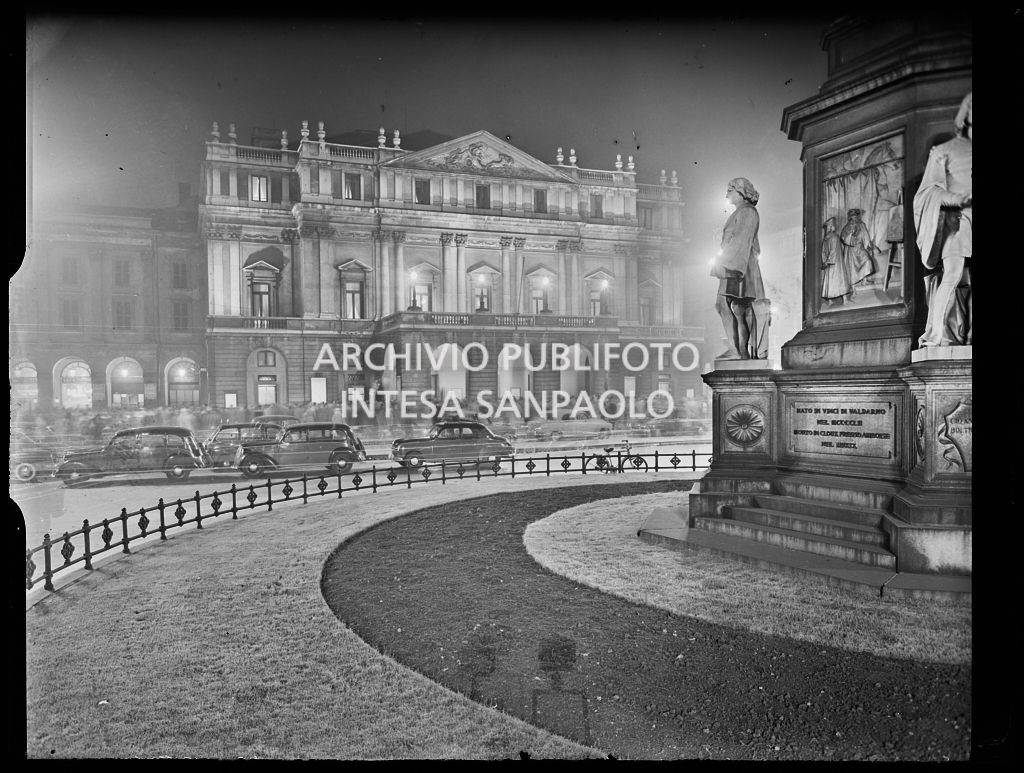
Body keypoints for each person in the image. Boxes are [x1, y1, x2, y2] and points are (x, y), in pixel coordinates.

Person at [914, 91, 972, 347]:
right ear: (966, 113)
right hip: (955, 221)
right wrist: (958, 199)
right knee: (952, 274)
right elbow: (929, 191)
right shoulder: (944, 151)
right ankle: (934, 336)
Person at [711, 177, 770, 359]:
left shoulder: (747, 212)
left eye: (730, 190)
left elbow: (741, 242)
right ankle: (739, 351)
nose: (727, 194)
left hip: (737, 267)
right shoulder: (742, 212)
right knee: (736, 310)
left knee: (724, 306)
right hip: (738, 265)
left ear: (741, 192)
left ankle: (735, 350)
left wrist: (725, 264)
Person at [820, 216, 851, 305]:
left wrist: (825, 261)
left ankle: (829, 300)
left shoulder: (826, 238)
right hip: (837, 263)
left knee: (829, 281)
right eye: (833, 225)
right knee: (840, 279)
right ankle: (845, 299)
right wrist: (830, 260)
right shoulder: (834, 237)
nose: (835, 227)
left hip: (829, 264)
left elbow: (823, 252)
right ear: (830, 227)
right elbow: (834, 251)